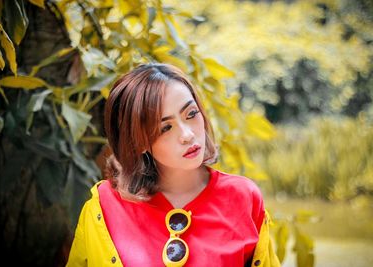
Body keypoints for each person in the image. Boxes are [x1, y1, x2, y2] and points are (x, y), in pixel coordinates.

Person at [66, 63, 280, 267]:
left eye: (191, 114)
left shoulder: (243, 197)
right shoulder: (104, 206)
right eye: (165, 128)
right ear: (138, 141)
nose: (187, 135)